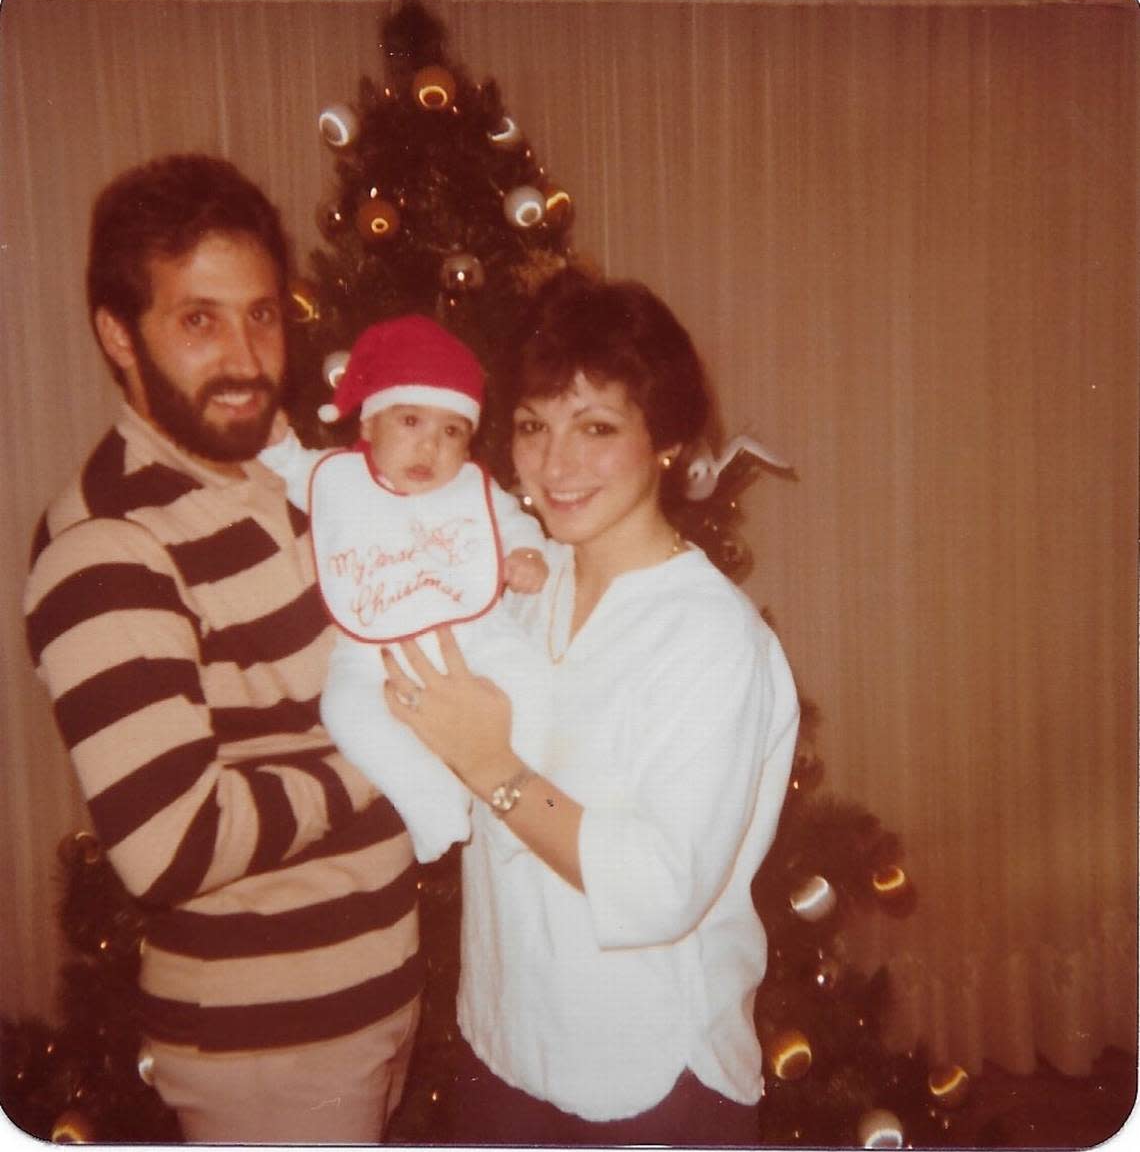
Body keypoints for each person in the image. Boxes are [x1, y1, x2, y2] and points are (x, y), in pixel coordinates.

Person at [23, 154, 421, 1144]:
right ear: (118, 334)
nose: (245, 356)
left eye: (260, 314)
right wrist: (399, 751)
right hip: (267, 1051)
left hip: (362, 1006)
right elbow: (171, 847)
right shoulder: (106, 543)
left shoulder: (295, 480)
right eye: (198, 320)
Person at [380, 269, 801, 1145]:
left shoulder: (711, 639)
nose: (554, 464)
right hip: (504, 1039)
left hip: (648, 1080)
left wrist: (492, 768)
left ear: (668, 442)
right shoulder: (524, 586)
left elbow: (657, 889)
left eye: (596, 428)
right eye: (533, 426)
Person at [259, 314, 550, 864]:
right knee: (345, 710)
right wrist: (275, 443)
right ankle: (431, 799)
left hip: (477, 638)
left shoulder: (472, 489)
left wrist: (526, 554)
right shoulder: (338, 478)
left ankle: (522, 807)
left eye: (451, 431)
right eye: (411, 421)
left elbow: (510, 525)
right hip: (374, 654)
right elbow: (293, 466)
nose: (430, 448)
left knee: (533, 682)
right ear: (368, 426)